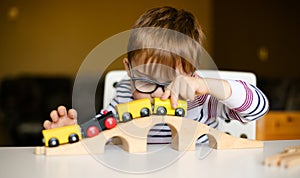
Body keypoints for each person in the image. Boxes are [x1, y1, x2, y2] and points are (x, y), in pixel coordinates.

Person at [43, 6, 269, 144]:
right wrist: (72, 133)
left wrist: (209, 86)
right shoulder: (124, 95)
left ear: (191, 75)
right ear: (129, 70)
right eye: (145, 81)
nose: (160, 95)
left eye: (172, 83)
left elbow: (258, 108)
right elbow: (101, 129)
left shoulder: (202, 101)